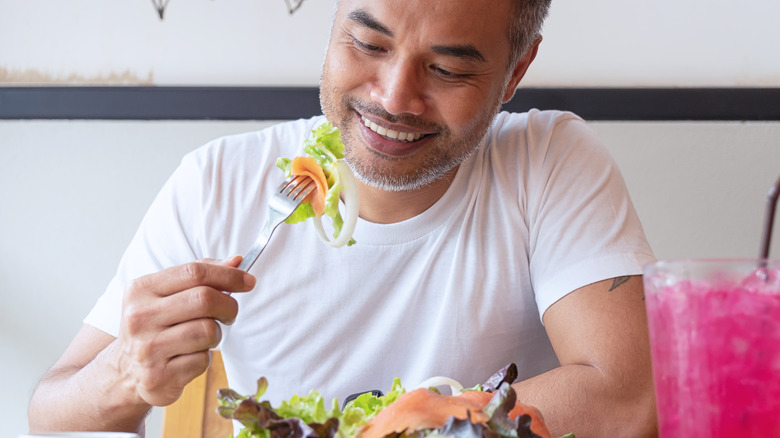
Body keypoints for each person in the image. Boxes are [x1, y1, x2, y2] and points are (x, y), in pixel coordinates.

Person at [28, 0, 658, 437]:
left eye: (447, 69)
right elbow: (50, 410)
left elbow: (632, 399)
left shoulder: (549, 161)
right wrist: (122, 373)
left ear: (516, 70)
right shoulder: (216, 184)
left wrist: (387, 428)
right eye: (368, 44)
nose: (392, 98)